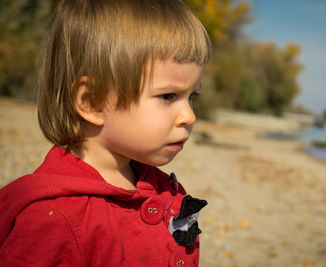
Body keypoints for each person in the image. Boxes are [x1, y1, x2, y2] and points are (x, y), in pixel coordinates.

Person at [0, 0, 211, 265]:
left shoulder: (162, 188)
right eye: (168, 95)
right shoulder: (54, 219)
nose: (190, 116)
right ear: (92, 102)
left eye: (192, 97)